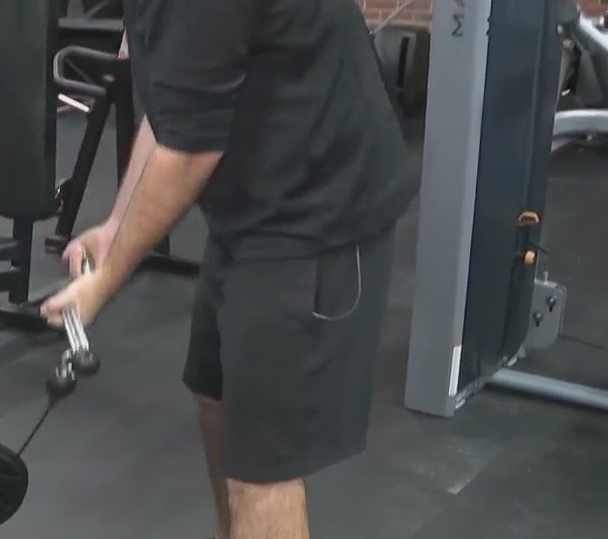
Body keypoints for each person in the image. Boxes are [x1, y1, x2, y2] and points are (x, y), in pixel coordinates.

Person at [40, 0, 419, 536]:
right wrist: (116, 225)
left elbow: (190, 154)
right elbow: (175, 108)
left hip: (316, 215)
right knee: (217, 401)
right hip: (251, 213)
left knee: (261, 469)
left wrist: (105, 281)